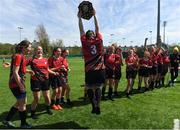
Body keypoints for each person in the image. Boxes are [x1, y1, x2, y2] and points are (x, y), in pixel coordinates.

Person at [78, 9, 105, 114]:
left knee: (89, 87)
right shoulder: (98, 40)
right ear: (94, 35)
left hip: (89, 69)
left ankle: (93, 105)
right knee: (98, 87)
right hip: (100, 69)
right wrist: (94, 15)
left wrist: (79, 18)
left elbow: (81, 29)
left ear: (87, 36)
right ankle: (98, 105)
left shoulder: (84, 42)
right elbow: (97, 27)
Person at [2, 40, 32, 128]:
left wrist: (28, 71)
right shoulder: (18, 56)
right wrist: (21, 85)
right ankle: (23, 124)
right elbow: (15, 72)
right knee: (22, 104)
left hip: (17, 83)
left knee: (21, 102)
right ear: (23, 47)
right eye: (29, 47)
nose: (30, 49)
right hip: (16, 84)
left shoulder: (20, 56)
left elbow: (18, 70)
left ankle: (6, 120)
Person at [28, 46, 58, 119]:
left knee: (47, 97)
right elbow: (22, 66)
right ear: (35, 51)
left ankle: (48, 109)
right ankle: (32, 113)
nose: (39, 51)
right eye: (38, 49)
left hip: (45, 80)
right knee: (37, 98)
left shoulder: (45, 59)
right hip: (35, 81)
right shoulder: (31, 59)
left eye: (41, 49)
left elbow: (47, 69)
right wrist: (28, 71)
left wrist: (53, 73)